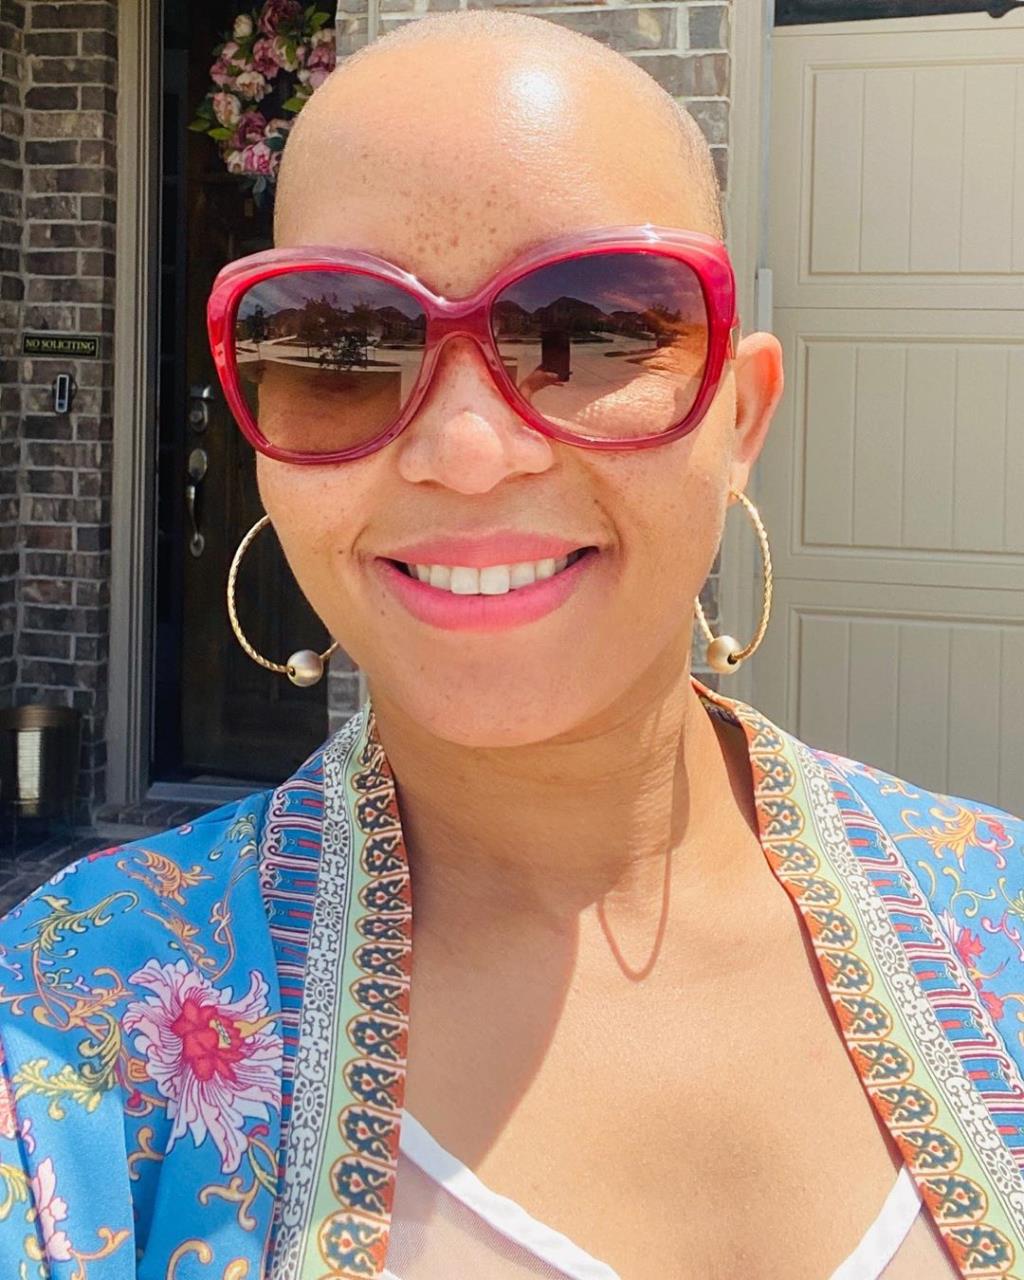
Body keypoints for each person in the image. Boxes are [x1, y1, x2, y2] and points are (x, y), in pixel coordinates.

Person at [0, 11, 1021, 1279]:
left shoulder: (998, 913)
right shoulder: (65, 1025)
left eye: (587, 325)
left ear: (742, 416)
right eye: (338, 345)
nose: (468, 452)